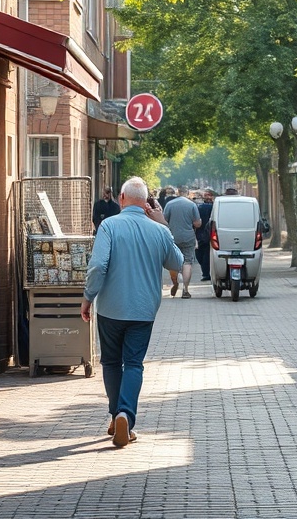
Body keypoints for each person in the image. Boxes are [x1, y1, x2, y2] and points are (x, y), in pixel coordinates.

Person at [81, 177, 183, 448]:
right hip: (143, 310)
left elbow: (98, 266)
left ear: (122, 199)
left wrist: (88, 297)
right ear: (147, 203)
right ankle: (126, 413)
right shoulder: (158, 231)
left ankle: (116, 415)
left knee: (111, 363)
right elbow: (177, 262)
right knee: (134, 364)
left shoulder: (109, 226)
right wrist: (163, 224)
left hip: (111, 310)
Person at [163, 186, 202, 298]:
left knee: (173, 261)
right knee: (187, 262)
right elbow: (197, 223)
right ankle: (185, 290)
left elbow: (164, 221)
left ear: (177, 193)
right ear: (187, 193)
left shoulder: (170, 204)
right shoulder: (192, 205)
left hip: (173, 236)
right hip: (188, 237)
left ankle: (175, 283)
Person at [195, 189, 214, 281]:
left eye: (209, 195)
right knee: (202, 254)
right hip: (203, 232)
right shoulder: (200, 207)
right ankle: (206, 272)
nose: (208, 197)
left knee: (203, 254)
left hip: (206, 232)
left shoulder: (214, 207)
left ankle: (206, 273)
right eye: (206, 195)